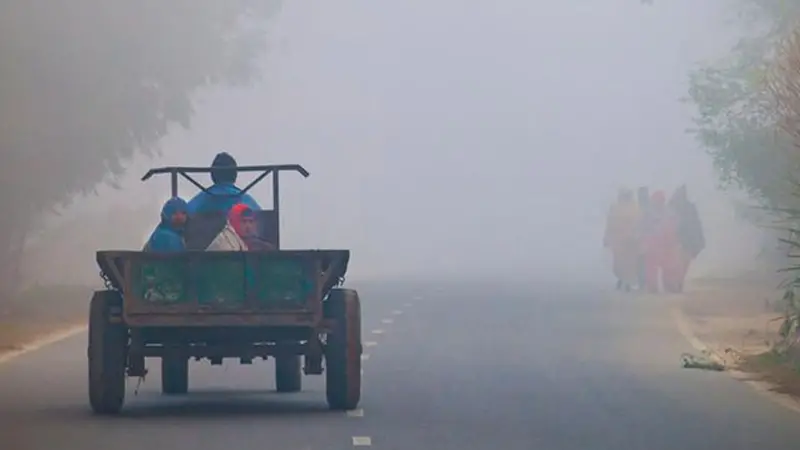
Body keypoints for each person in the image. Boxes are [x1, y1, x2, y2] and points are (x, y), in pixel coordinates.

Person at [187, 152, 262, 215]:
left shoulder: (201, 199)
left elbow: (185, 213)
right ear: (235, 174)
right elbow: (262, 219)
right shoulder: (246, 200)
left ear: (212, 174)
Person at [641, 191, 682, 293]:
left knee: (669, 267)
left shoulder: (670, 213)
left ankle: (668, 286)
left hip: (667, 244)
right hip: (654, 245)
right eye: (657, 200)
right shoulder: (648, 213)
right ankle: (653, 287)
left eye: (660, 200)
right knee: (652, 268)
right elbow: (642, 228)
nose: (659, 203)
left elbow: (676, 227)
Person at [669, 185, 705, 292]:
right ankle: (676, 283)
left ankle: (678, 282)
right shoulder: (672, 206)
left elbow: (696, 223)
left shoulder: (689, 207)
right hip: (676, 240)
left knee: (684, 263)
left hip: (687, 240)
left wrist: (699, 239)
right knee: (678, 263)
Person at [603, 188, 640, 292]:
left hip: (631, 240)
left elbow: (639, 222)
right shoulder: (615, 207)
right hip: (618, 240)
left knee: (630, 263)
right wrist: (607, 237)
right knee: (618, 263)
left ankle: (628, 282)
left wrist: (637, 235)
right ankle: (621, 279)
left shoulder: (635, 207)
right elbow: (610, 222)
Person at [635, 186, 651, 290]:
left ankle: (643, 283)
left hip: (645, 239)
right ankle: (643, 283)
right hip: (643, 239)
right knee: (642, 262)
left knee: (642, 262)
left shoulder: (641, 208)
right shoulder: (647, 207)